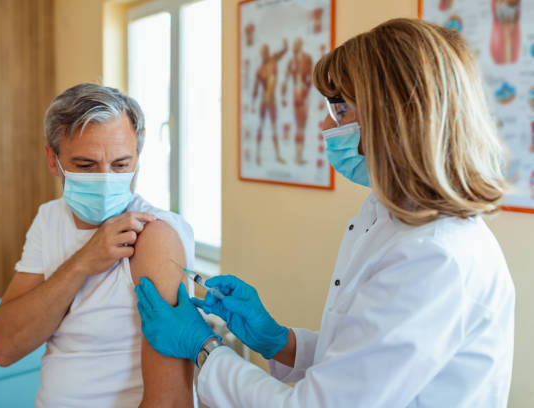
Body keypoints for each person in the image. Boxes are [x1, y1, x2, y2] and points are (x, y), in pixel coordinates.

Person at [135, 19, 515, 407]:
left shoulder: (434, 257)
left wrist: (203, 349)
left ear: (394, 118)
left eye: (340, 110)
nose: (324, 126)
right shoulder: (388, 214)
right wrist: (279, 340)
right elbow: (360, 360)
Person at [0, 84, 198, 407]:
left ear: (137, 159)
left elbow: (170, 400)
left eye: (120, 165)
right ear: (52, 159)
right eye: (86, 166)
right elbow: (4, 345)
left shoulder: (155, 235)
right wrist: (83, 262)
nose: (105, 179)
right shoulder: (50, 218)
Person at [252, 40, 289, 166]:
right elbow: (256, 88)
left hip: (272, 100)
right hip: (264, 101)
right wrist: (252, 104)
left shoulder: (273, 60)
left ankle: (277, 155)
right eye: (263, 52)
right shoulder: (260, 70)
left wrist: (285, 46)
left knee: (274, 128)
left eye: (266, 51)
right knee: (261, 126)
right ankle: (257, 155)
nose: (265, 54)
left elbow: (282, 53)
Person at [281, 37, 313, 166]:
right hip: (299, 94)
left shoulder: (306, 59)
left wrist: (307, 90)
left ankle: (298, 156)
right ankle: (298, 157)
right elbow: (286, 79)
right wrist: (283, 97)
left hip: (301, 93)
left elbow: (311, 77)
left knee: (301, 127)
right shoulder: (293, 61)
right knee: (300, 126)